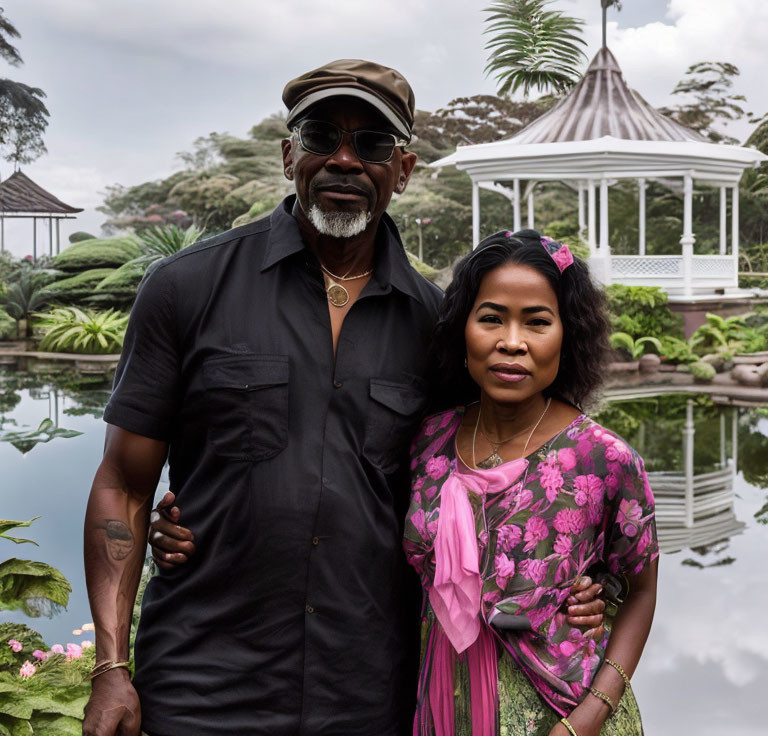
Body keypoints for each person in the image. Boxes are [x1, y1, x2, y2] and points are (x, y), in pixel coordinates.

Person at [82, 58, 605, 736]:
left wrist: (573, 580)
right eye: (321, 135)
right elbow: (123, 483)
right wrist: (110, 666)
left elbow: (502, 471)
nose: (344, 159)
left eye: (373, 144)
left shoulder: (439, 325)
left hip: (368, 692)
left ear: (405, 168)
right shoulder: (185, 287)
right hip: (201, 680)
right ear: (287, 153)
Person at [403, 230, 659, 736]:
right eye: (492, 318)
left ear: (568, 334)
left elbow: (642, 592)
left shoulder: (604, 459)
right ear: (463, 328)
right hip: (439, 704)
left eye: (537, 322)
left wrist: (585, 720)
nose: (511, 342)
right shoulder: (429, 440)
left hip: (559, 715)